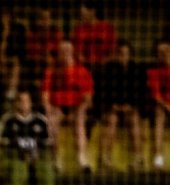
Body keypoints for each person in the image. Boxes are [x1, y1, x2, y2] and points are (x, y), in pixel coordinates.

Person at [0, 91, 55, 185]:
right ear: (16, 103)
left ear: (30, 103)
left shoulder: (40, 120)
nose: (23, 104)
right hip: (16, 157)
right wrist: (22, 153)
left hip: (37, 157)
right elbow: (4, 143)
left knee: (47, 169)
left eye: (26, 101)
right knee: (19, 170)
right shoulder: (9, 120)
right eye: (20, 101)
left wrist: (34, 154)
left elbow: (47, 142)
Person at [93, 40, 147, 171]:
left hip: (131, 107)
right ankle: (105, 159)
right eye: (120, 53)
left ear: (130, 55)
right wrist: (113, 106)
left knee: (134, 121)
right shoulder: (108, 70)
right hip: (112, 107)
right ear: (116, 55)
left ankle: (137, 159)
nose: (123, 56)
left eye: (126, 53)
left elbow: (140, 91)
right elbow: (103, 91)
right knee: (111, 121)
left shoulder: (137, 70)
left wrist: (131, 106)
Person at [42, 40, 94, 173]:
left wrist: (79, 110)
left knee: (79, 122)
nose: (65, 53)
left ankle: (82, 159)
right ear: (58, 54)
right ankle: (56, 160)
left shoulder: (82, 71)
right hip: (57, 108)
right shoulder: (51, 71)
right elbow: (45, 95)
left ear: (72, 52)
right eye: (62, 51)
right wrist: (48, 109)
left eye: (68, 51)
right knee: (51, 122)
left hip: (76, 108)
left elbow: (87, 98)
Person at [0, 6, 27, 116]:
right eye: (3, 15)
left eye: (8, 15)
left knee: (16, 66)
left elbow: (21, 55)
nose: (5, 18)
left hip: (12, 63)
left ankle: (10, 96)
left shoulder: (19, 29)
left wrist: (8, 60)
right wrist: (4, 34)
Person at [25, 8, 63, 97]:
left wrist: (49, 56)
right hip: (35, 63)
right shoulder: (32, 33)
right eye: (42, 18)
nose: (44, 21)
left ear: (51, 20)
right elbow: (30, 52)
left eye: (47, 18)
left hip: (53, 62)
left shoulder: (56, 32)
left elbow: (58, 52)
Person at [72, 1, 117, 71]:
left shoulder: (108, 28)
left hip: (105, 68)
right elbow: (76, 51)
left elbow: (113, 52)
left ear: (92, 11)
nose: (81, 15)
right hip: (84, 68)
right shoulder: (78, 29)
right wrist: (86, 62)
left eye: (83, 13)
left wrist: (102, 62)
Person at [147, 39, 170, 170]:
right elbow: (156, 95)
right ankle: (158, 158)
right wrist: (167, 105)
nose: (165, 54)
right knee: (159, 114)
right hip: (163, 105)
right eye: (160, 52)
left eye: (167, 50)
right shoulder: (154, 72)